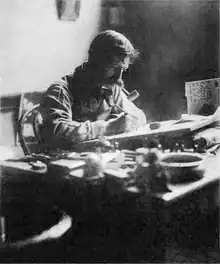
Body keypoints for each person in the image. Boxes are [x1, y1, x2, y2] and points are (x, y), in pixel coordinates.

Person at [39, 30, 146, 152]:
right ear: (96, 62)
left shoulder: (110, 87)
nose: (119, 77)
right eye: (114, 68)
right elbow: (56, 131)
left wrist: (129, 120)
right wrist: (108, 127)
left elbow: (139, 117)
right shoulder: (60, 89)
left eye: (123, 70)